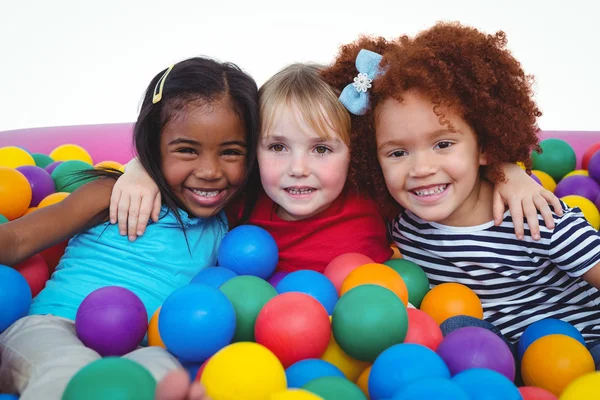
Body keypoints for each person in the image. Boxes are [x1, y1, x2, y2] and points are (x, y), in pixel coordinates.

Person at [110, 64, 561, 274]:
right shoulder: (244, 197)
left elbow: (451, 165)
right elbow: (199, 160)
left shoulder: (376, 195)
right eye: (277, 147)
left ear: (357, 152)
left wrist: (511, 171)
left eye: (323, 149)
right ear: (251, 152)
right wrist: (140, 168)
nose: (298, 169)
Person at [323, 22, 600, 355]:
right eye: (398, 152)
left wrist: (508, 169)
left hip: (585, 346)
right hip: (489, 360)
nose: (421, 169)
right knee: (456, 330)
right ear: (373, 158)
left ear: (485, 147)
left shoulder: (534, 214)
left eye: (443, 144)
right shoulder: (402, 224)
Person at [0, 56, 258, 399]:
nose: (210, 170)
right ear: (152, 147)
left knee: (164, 370)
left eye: (230, 152)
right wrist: (138, 168)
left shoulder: (230, 220)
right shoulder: (111, 193)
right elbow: (16, 239)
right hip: (53, 326)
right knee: (66, 368)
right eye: (186, 150)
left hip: (142, 346)